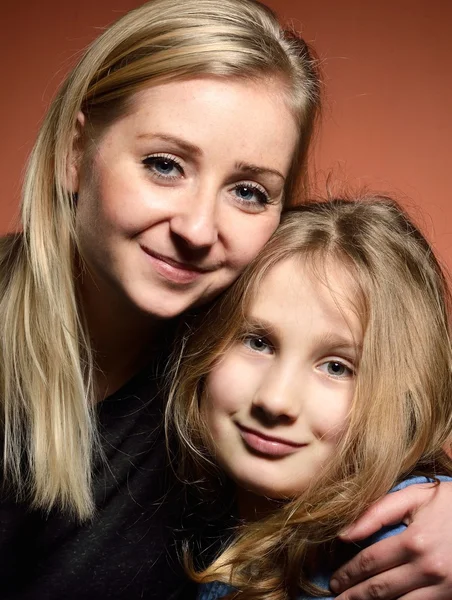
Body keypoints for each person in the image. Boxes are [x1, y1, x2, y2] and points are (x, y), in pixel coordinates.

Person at [1, 0, 451, 597]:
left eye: (247, 191)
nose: (196, 227)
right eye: (164, 165)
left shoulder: (227, 357)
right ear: (74, 154)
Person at [166, 196, 452, 599]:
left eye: (337, 367)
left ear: (406, 391)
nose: (276, 400)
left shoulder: (402, 549)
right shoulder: (190, 507)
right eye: (257, 342)